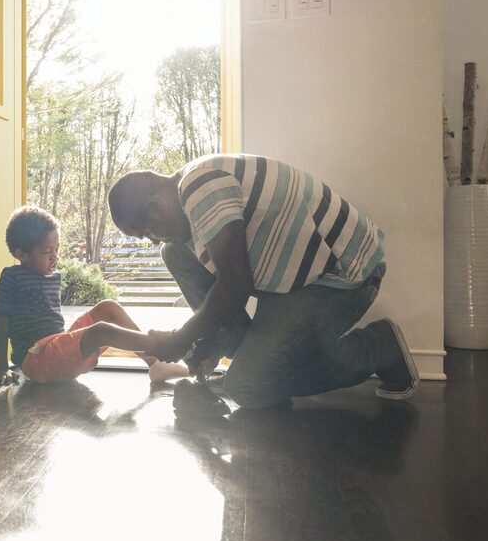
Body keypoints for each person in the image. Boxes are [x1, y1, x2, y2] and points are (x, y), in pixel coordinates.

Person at [107, 153, 419, 410]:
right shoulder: (188, 212)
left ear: (154, 207)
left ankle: (379, 347)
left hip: (343, 275)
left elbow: (236, 286)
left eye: (145, 233)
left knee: (247, 386)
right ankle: (255, 364)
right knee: (174, 252)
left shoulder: (200, 187)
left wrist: (179, 340)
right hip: (294, 284)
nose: (150, 241)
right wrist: (207, 339)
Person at [0, 206, 181, 385]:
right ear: (21, 254)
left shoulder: (54, 277)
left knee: (109, 307)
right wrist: (2, 369)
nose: (55, 257)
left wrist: (68, 340)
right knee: (101, 331)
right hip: (36, 358)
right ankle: (168, 345)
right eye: (47, 251)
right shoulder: (12, 277)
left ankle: (156, 364)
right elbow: (1, 325)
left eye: (57, 249)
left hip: (57, 347)